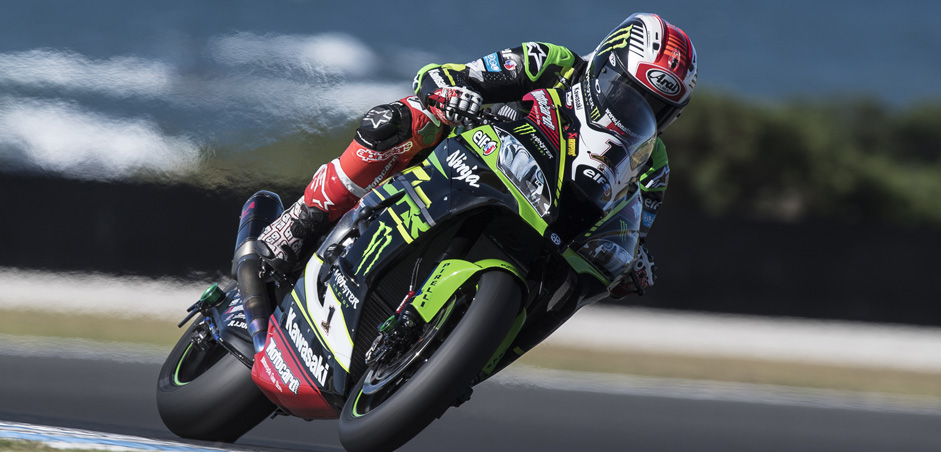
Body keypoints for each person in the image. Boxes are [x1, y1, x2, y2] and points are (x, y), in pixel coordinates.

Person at [257, 12, 697, 298]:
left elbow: (634, 234)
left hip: (550, 230)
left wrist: (634, 263)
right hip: (475, 166)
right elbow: (445, 75)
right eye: (625, 91)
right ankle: (302, 220)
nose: (633, 111)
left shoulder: (653, 165)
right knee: (404, 119)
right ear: (605, 64)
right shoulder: (553, 64)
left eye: (655, 109)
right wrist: (454, 94)